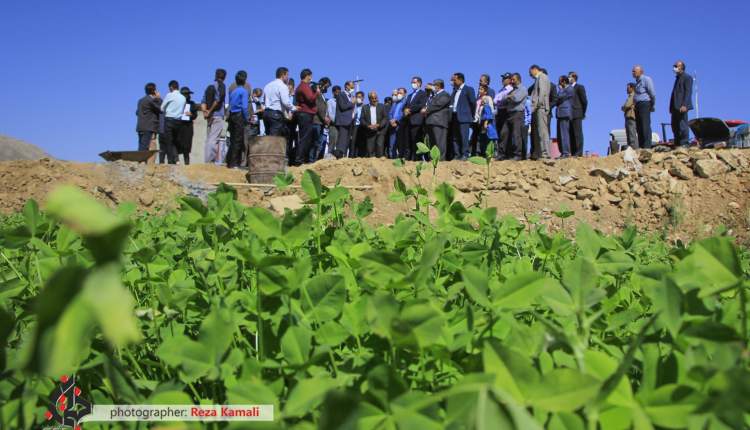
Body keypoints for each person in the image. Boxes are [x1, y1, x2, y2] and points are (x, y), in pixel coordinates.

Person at [498, 73, 527, 160]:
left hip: (517, 113)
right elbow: (503, 100)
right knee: (504, 133)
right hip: (509, 114)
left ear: (518, 79)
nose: (512, 81)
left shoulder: (522, 89)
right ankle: (502, 154)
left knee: (516, 134)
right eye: (511, 79)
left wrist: (509, 97)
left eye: (513, 79)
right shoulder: (512, 90)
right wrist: (509, 96)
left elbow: (516, 99)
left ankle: (518, 154)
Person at [293, 68, 319, 165]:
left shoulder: (302, 86)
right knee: (304, 138)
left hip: (305, 113)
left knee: (306, 138)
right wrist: (317, 92)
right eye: (311, 76)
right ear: (307, 76)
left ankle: (301, 159)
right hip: (305, 114)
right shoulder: (304, 86)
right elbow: (311, 99)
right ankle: (299, 160)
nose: (311, 78)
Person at [201, 68, 227, 164]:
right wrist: (211, 111)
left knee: (209, 138)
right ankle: (209, 161)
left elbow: (203, 101)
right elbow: (218, 100)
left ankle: (207, 160)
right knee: (213, 139)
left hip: (209, 117)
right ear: (224, 77)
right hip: (217, 115)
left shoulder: (209, 87)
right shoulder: (221, 86)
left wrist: (205, 111)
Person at [421, 79, 451, 159]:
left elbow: (438, 105)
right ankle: (433, 159)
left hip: (439, 122)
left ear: (438, 86)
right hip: (430, 122)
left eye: (433, 85)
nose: (432, 87)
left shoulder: (445, 95)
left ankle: (440, 159)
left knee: (439, 142)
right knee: (432, 143)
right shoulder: (434, 95)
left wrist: (426, 110)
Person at [449, 72, 477, 160]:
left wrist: (471, 115)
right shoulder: (454, 91)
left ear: (460, 80)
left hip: (464, 117)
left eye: (454, 80)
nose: (453, 81)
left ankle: (465, 154)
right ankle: (457, 155)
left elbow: (473, 103)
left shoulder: (468, 89)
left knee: (464, 136)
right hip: (454, 116)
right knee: (455, 137)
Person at [226, 71, 249, 168]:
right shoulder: (244, 91)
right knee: (238, 140)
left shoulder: (233, 92)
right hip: (239, 115)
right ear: (245, 80)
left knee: (232, 139)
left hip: (232, 115)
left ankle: (229, 162)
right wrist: (247, 117)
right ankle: (235, 163)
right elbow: (244, 107)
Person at [160, 80, 186, 164]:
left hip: (169, 120)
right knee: (175, 141)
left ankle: (171, 161)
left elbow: (162, 108)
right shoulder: (183, 97)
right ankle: (176, 159)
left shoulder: (169, 95)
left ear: (171, 87)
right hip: (178, 121)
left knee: (168, 141)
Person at [263, 67, 295, 137]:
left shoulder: (267, 86)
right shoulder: (282, 86)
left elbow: (264, 100)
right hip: (276, 114)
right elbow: (286, 102)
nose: (288, 77)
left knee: (268, 137)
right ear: (283, 75)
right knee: (275, 139)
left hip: (266, 113)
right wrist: (294, 108)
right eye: (287, 75)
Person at [402, 77, 427, 160]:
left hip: (417, 121)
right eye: (412, 82)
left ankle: (416, 158)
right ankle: (407, 158)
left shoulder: (423, 94)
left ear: (419, 83)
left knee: (416, 140)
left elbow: (421, 105)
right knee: (407, 141)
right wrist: (405, 110)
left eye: (414, 82)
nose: (412, 84)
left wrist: (410, 109)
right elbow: (405, 105)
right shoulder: (409, 95)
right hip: (408, 121)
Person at [670, 60, 693, 147]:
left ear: (681, 67)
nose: (674, 68)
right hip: (675, 107)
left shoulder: (687, 77)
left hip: (682, 106)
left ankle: (684, 143)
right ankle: (677, 144)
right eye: (674, 66)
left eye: (676, 66)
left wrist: (684, 105)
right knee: (675, 126)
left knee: (682, 125)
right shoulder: (677, 78)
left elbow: (688, 92)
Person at [529, 65, 551, 159]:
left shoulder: (542, 77)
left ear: (535, 69)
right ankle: (544, 153)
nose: (530, 75)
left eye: (530, 72)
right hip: (539, 107)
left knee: (543, 131)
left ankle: (545, 153)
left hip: (540, 108)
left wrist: (538, 104)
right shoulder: (540, 78)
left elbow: (542, 92)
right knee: (541, 131)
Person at [632, 65, 656, 149]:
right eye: (633, 71)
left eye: (634, 71)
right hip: (638, 106)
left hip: (644, 104)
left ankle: (647, 146)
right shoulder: (637, 83)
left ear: (640, 71)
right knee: (639, 126)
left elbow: (652, 93)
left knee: (645, 125)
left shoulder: (646, 79)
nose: (633, 73)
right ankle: (641, 146)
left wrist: (652, 104)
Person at [360, 91, 389, 157]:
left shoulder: (382, 106)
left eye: (376, 98)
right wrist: (368, 126)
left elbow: (385, 117)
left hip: (380, 130)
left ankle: (380, 164)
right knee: (370, 150)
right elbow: (362, 119)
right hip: (369, 131)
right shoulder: (365, 108)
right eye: (373, 98)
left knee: (379, 146)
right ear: (369, 99)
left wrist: (379, 125)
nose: (375, 100)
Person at [136, 82, 162, 153]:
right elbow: (160, 109)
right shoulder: (151, 100)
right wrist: (159, 98)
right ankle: (142, 161)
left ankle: (140, 161)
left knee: (141, 145)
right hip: (148, 126)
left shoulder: (140, 100)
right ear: (154, 91)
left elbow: (137, 112)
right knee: (145, 146)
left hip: (140, 126)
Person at [177, 86, 200, 165]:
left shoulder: (192, 104)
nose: (187, 96)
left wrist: (191, 114)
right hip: (179, 126)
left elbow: (195, 115)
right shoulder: (177, 103)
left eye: (188, 94)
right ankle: (176, 161)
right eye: (185, 94)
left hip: (188, 126)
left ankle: (187, 162)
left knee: (187, 145)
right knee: (178, 143)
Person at [311, 77, 331, 162]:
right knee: (314, 142)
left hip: (321, 122)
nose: (327, 88)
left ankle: (314, 160)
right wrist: (324, 118)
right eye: (327, 86)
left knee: (319, 143)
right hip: (316, 121)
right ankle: (311, 160)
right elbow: (318, 107)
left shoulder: (322, 95)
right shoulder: (317, 91)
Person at [493, 73, 513, 159]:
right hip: (499, 112)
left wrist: (500, 101)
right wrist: (500, 101)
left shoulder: (510, 89)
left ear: (509, 80)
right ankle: (500, 152)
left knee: (504, 133)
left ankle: (504, 153)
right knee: (499, 133)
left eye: (505, 78)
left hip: (506, 111)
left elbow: (504, 100)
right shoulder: (501, 90)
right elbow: (495, 101)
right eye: (503, 78)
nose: (503, 80)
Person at [334, 81, 355, 158]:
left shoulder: (351, 96)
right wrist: (351, 103)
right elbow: (342, 107)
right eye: (352, 87)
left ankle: (344, 156)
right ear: (347, 86)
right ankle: (339, 156)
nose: (353, 88)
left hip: (350, 122)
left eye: (353, 87)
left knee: (346, 140)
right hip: (343, 121)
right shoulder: (341, 94)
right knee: (342, 140)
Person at [568, 72, 588, 156]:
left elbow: (584, 101)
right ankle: (573, 152)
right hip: (569, 114)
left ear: (574, 78)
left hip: (577, 113)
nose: (568, 79)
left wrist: (582, 112)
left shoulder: (579, 87)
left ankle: (579, 152)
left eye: (569, 77)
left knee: (577, 133)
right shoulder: (568, 88)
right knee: (571, 133)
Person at [555, 76, 574, 158]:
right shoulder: (565, 89)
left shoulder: (569, 89)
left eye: (560, 81)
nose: (559, 83)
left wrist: (560, 89)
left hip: (565, 113)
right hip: (560, 113)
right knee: (560, 134)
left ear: (563, 82)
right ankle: (563, 152)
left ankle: (566, 152)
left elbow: (559, 97)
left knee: (564, 134)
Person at [476, 85, 497, 156]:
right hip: (481, 122)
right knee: (482, 138)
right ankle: (483, 153)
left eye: (481, 89)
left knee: (488, 138)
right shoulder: (479, 99)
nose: (479, 90)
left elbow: (489, 113)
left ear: (485, 92)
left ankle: (490, 153)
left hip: (487, 123)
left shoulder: (487, 100)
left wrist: (486, 122)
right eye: (479, 89)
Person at [388, 88, 407, 158]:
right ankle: (391, 158)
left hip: (400, 125)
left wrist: (396, 120)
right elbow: (390, 113)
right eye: (398, 93)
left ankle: (401, 158)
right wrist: (391, 120)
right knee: (392, 144)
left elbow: (403, 114)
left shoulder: (406, 102)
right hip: (392, 126)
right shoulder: (395, 103)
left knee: (401, 143)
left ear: (405, 94)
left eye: (400, 93)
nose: (399, 94)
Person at [622, 83, 638, 149]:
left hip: (631, 117)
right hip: (628, 117)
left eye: (628, 87)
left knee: (631, 134)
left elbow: (626, 105)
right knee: (629, 134)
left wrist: (624, 107)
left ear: (632, 88)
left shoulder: (633, 95)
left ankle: (633, 148)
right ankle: (631, 148)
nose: (627, 89)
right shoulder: (630, 96)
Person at [351, 91, 366, 157]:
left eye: (360, 97)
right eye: (357, 97)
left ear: (363, 98)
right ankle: (352, 156)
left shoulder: (365, 107)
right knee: (353, 142)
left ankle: (360, 156)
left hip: (362, 126)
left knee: (361, 142)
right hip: (354, 126)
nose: (358, 98)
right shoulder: (353, 106)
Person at [327, 85, 340, 157]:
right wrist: (336, 122)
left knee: (339, 143)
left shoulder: (341, 101)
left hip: (340, 125)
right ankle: (329, 157)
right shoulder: (330, 101)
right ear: (333, 92)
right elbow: (330, 113)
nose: (338, 93)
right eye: (336, 92)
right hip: (333, 125)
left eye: (339, 92)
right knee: (332, 142)